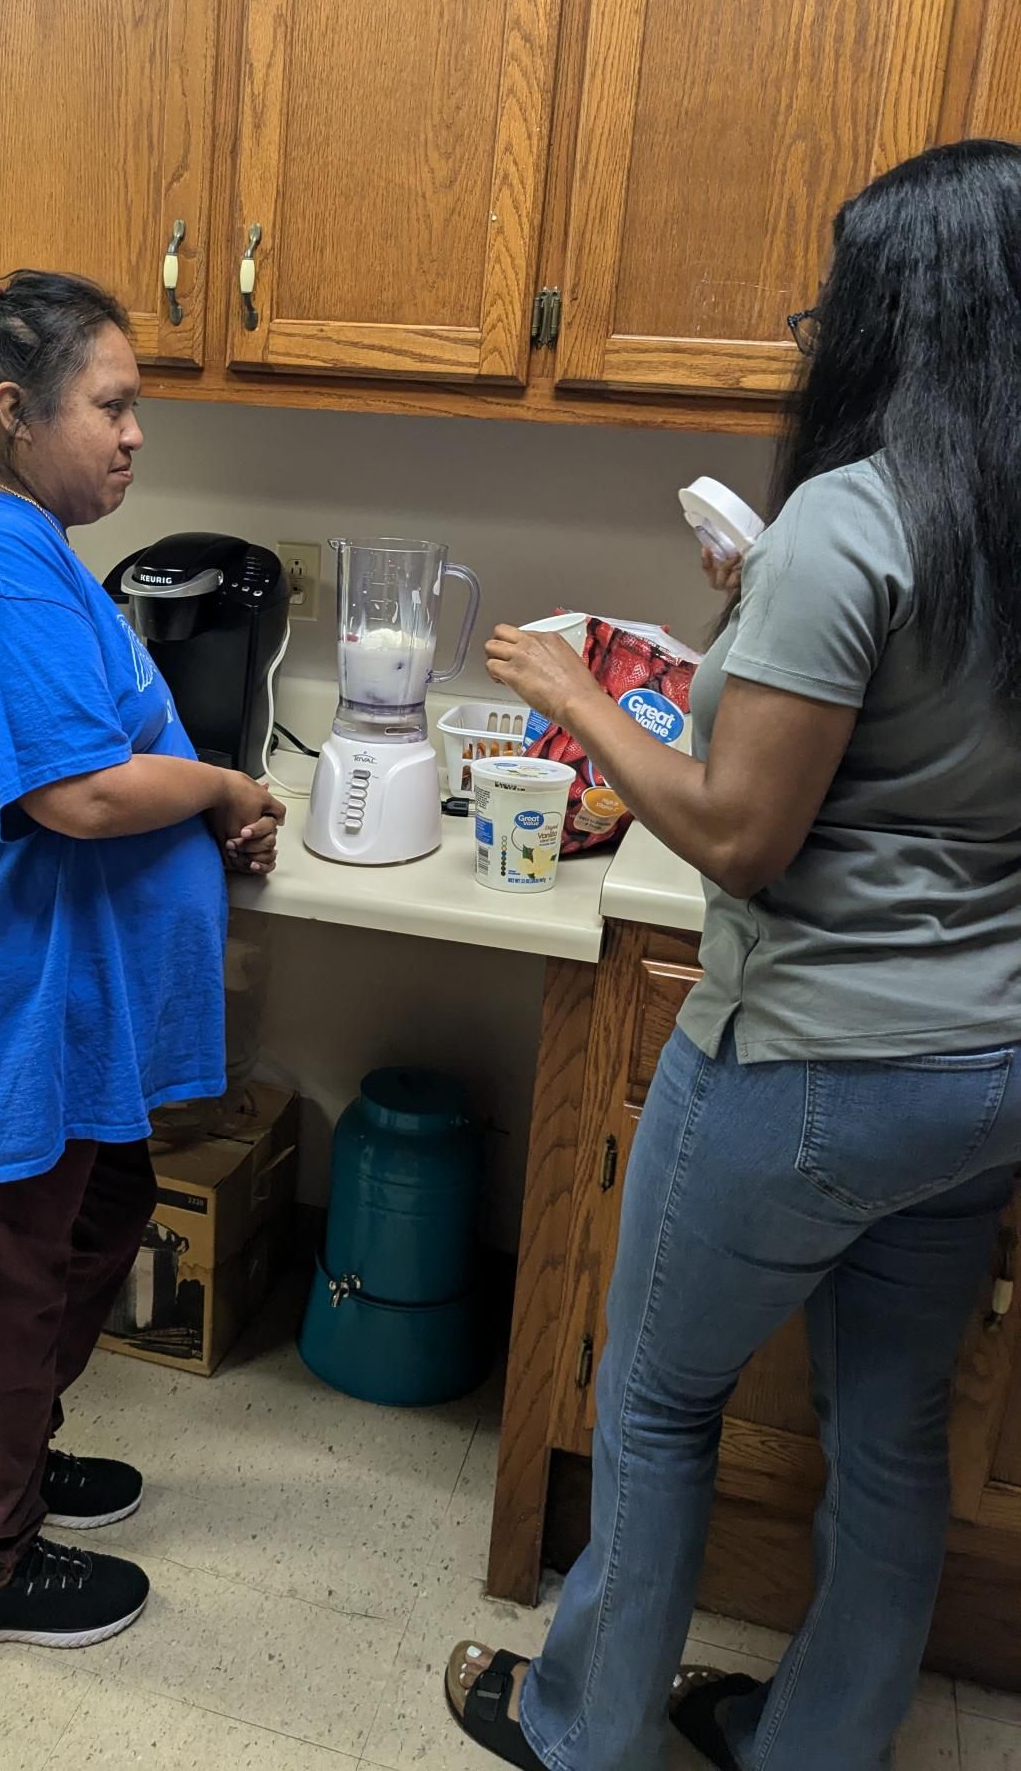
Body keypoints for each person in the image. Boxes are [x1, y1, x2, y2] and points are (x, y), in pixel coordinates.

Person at [444, 139, 1021, 1769]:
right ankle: (817, 1746)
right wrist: (771, 601)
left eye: (833, 296)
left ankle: (583, 1730)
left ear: (897, 309)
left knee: (651, 1399)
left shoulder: (858, 519)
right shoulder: (968, 528)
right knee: (895, 1437)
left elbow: (739, 833)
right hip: (986, 1069)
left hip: (813, 1059)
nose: (814, 324)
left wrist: (573, 697)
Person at [0, 271, 285, 1654]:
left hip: (40, 985)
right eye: (115, 404)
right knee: (9, 1274)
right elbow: (75, 795)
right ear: (16, 412)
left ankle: (18, 1457)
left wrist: (205, 815)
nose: (137, 433)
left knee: (99, 1212)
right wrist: (213, 791)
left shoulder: (28, 550)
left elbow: (92, 765)